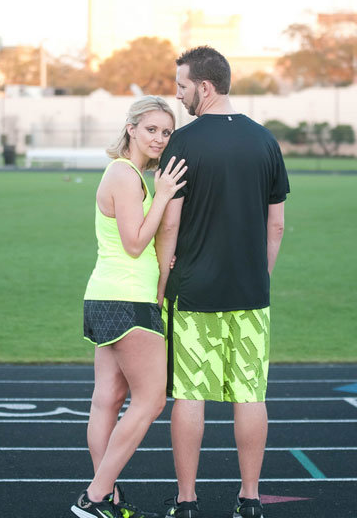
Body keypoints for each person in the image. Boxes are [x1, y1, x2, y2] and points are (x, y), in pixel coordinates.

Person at [155, 47, 290, 518]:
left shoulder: (183, 143)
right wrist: (259, 274)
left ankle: (187, 502)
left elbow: (168, 225)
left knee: (190, 394)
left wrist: (160, 282)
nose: (178, 95)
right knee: (250, 394)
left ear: (204, 87)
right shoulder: (266, 142)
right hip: (251, 294)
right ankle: (249, 500)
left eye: (182, 86)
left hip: (192, 292)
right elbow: (276, 226)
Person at [71, 96, 187, 518]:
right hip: (125, 299)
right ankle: (95, 496)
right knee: (151, 400)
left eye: (167, 132)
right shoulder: (125, 174)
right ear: (132, 128)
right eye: (152, 129)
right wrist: (164, 195)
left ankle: (108, 498)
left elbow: (139, 240)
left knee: (108, 399)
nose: (159, 138)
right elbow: (134, 243)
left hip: (108, 296)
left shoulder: (130, 174)